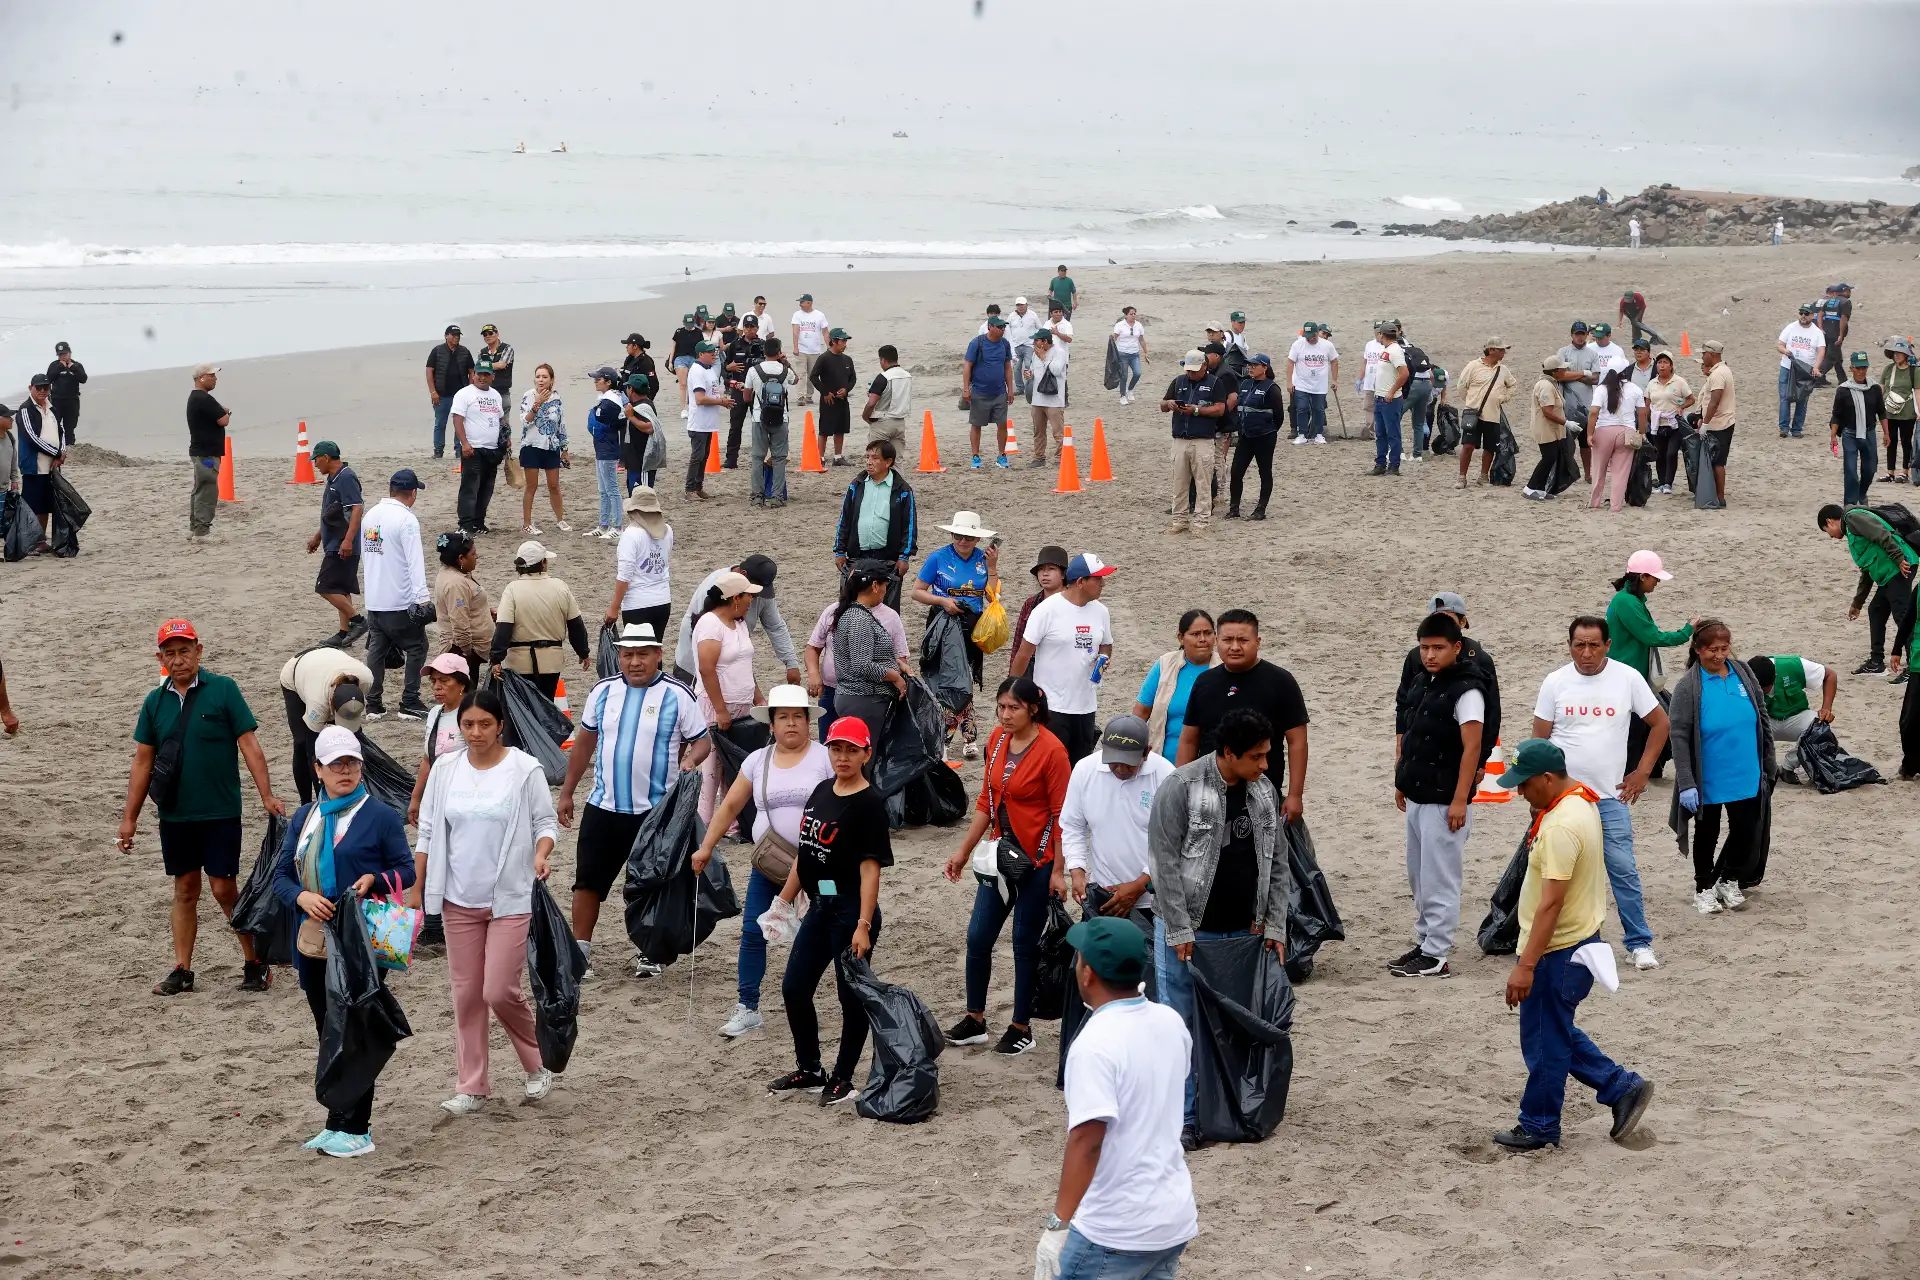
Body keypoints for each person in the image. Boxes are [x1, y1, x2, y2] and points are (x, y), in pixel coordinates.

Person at [1492, 739, 1655, 1152]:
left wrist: (1525, 965)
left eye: (1525, 785)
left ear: (1547, 779)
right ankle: (1620, 1087)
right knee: (1553, 1031)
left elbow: (1550, 904)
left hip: (1556, 950)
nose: (1519, 792)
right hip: (1578, 942)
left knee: (1544, 1041)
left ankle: (1540, 1125)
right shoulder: (1580, 801)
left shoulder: (1562, 826)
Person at [119, 618, 287, 995]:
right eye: (170, 653)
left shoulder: (223, 690)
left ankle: (254, 960)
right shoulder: (155, 701)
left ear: (199, 650)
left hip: (220, 810)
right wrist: (129, 818)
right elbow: (143, 761)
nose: (178, 659)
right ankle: (182, 968)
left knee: (224, 888)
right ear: (160, 657)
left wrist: (266, 794)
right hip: (175, 813)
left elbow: (249, 745)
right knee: (185, 888)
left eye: (184, 651)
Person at [418, 686, 563, 1114]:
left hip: (509, 897)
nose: (475, 732)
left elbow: (546, 821)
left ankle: (537, 1064)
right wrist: (418, 885)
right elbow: (427, 829)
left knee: (499, 989)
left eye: (484, 724)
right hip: (457, 897)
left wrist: (541, 854)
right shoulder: (445, 769)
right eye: (467, 724)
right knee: (466, 995)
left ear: (501, 725)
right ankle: (472, 1085)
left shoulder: (523, 769)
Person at [272, 726, 414, 1156]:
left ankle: (357, 1129)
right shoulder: (305, 817)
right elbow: (279, 877)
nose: (345, 771)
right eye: (335, 765)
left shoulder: (380, 815)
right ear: (318, 770)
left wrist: (375, 879)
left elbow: (406, 870)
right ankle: (337, 1122)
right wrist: (302, 896)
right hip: (316, 934)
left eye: (351, 763)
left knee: (355, 1027)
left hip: (361, 937)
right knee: (328, 1028)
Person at [1147, 708, 1286, 1146]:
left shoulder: (1263, 791)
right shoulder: (1180, 787)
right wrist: (1180, 930)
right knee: (1180, 1028)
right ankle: (1186, 1120)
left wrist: (1276, 927)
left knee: (1234, 1027)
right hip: (1190, 936)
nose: (1265, 766)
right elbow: (1163, 862)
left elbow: (1278, 863)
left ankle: (1230, 1111)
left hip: (1244, 935)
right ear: (1229, 753)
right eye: (1257, 757)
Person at [1036, 916, 1198, 1280]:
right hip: (1172, 1217)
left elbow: (1087, 1140)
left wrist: (1057, 1224)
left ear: (1088, 973)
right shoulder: (1170, 1022)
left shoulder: (1093, 1045)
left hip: (1116, 1229)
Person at [557, 621, 708, 979]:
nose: (634, 662)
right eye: (627, 655)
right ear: (618, 656)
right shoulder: (602, 691)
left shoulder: (677, 694)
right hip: (604, 805)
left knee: (652, 884)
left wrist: (690, 760)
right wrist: (567, 791)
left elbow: (702, 740)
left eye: (643, 654)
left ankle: (650, 952)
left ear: (658, 655)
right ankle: (581, 951)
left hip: (655, 811)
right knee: (587, 881)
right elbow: (584, 744)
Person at [764, 715, 893, 1105]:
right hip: (819, 906)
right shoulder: (822, 790)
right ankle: (810, 1068)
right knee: (794, 987)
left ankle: (843, 1077)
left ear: (866, 754)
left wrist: (863, 924)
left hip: (851, 911)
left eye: (851, 750)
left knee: (849, 995)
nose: (842, 756)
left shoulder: (870, 804)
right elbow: (806, 855)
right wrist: (783, 902)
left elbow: (870, 870)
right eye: (836, 748)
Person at [941, 676, 1072, 1058]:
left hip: (1037, 862)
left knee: (1023, 944)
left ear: (1033, 708)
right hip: (1001, 857)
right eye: (1001, 706)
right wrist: (963, 851)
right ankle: (976, 1019)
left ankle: (1021, 1026)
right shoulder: (997, 739)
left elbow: (1061, 815)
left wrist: (1058, 871)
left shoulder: (1053, 752)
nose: (1005, 714)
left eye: (1013, 707)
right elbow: (986, 800)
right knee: (978, 938)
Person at [1530, 616, 1668, 971]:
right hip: (1562, 800)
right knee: (1559, 873)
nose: (1586, 653)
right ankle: (1562, 942)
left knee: (1622, 869)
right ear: (1569, 645)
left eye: (1594, 645)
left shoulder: (1627, 678)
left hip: (1608, 797)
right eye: (1579, 645)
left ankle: (1639, 942)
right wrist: (1537, 799)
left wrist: (1642, 771)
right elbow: (1538, 744)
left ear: (1608, 645)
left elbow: (1660, 723)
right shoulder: (1555, 682)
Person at [696, 684, 829, 1037]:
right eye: (782, 717)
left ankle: (854, 989)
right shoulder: (758, 760)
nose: (790, 724)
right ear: (771, 724)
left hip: (820, 866)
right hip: (769, 864)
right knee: (753, 931)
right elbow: (730, 806)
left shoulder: (826, 758)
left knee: (836, 928)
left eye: (797, 717)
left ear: (808, 722)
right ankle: (747, 1006)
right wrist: (706, 846)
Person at [1391, 612, 1488, 979]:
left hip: (1445, 798)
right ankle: (1425, 942)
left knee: (1440, 877)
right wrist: (1402, 779)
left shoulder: (1468, 690)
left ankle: (1436, 954)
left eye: (1438, 647)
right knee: (1419, 875)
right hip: (1417, 793)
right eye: (1425, 647)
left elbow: (1472, 747)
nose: (1430, 654)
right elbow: (1412, 732)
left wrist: (1461, 798)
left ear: (1457, 647)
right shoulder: (1423, 682)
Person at [1666, 622, 1774, 916]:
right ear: (1698, 650)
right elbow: (1678, 736)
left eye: (1724, 649)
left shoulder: (1742, 671)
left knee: (1746, 830)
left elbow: (1761, 713)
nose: (1719, 655)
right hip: (1710, 776)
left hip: (1746, 770)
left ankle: (1728, 879)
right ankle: (1703, 888)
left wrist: (1768, 761)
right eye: (1712, 649)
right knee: (1707, 834)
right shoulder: (1688, 686)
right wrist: (1686, 782)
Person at [1176, 609, 1309, 822]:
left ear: (1258, 641)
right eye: (1228, 640)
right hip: (1209, 794)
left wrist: (1295, 795)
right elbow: (1189, 738)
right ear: (1217, 641)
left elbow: (1297, 742)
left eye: (1243, 640)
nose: (1235, 647)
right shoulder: (1205, 682)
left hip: (1263, 792)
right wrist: (1180, 787)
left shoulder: (1280, 681)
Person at [1061, 714, 1173, 924]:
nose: (1120, 770)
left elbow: (1173, 841)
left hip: (1154, 902)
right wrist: (1077, 870)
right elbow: (1073, 825)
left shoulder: (1167, 776)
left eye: (1129, 764)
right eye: (1114, 762)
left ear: (1146, 753)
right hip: (1103, 897)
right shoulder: (1085, 770)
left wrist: (1141, 884)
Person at [1013, 553, 1117, 764]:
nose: (1103, 584)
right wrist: (1011, 696)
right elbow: (1023, 654)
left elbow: (1106, 643)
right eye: (1098, 579)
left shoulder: (1101, 611)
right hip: (1052, 707)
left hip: (1086, 705)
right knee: (1050, 767)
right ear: (1080, 582)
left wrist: (1104, 657)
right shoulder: (1046, 610)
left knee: (1079, 767)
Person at [913, 514, 1000, 757]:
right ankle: (950, 738)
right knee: (948, 682)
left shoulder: (984, 559)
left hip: (972, 628)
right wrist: (942, 600)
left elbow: (993, 598)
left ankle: (966, 737)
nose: (962, 540)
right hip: (942, 627)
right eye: (958, 535)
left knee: (964, 681)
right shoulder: (938, 558)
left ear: (977, 538)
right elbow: (917, 592)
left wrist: (992, 569)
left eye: (969, 536)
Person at [1606, 550, 1695, 764]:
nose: (1657, 582)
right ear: (1643, 576)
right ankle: (1631, 773)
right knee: (1636, 729)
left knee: (1641, 726)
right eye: (1655, 578)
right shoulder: (1627, 602)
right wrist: (1687, 631)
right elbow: (1652, 636)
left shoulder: (1628, 600)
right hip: (1627, 676)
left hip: (1630, 674)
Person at [693, 569, 768, 821]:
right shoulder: (710, 624)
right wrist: (721, 709)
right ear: (735, 597)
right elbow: (706, 669)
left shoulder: (739, 624)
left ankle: (733, 825)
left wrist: (757, 697)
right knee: (711, 770)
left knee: (735, 767)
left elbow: (745, 665)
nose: (751, 601)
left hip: (742, 703)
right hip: (717, 705)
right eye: (748, 596)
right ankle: (704, 823)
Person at [805, 560, 909, 739]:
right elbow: (861, 664)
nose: (887, 589)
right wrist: (896, 677)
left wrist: (899, 665)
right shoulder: (855, 616)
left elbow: (896, 655)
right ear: (875, 585)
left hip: (848, 693)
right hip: (860, 695)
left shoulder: (885, 616)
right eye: (885, 584)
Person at [359, 469, 432, 721]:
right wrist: (422, 598)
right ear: (412, 493)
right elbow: (415, 562)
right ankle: (409, 700)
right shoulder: (406, 519)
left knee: (377, 652)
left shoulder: (370, 516)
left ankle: (373, 703)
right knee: (417, 646)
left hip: (376, 599)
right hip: (399, 599)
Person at [1817, 502, 1918, 679]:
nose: (1830, 537)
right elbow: (1867, 570)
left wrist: (1898, 558)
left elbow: (1881, 534)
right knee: (1876, 611)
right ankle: (1876, 662)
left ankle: (1914, 667)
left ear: (1830, 521)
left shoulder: (1853, 517)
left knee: (1903, 616)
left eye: (1827, 531)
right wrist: (1858, 603)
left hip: (1900, 566)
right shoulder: (1851, 532)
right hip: (1889, 573)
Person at [672, 555, 803, 688]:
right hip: (694, 665)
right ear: (743, 574)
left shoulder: (760, 589)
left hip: (732, 663)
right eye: (754, 590)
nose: (756, 596)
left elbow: (775, 626)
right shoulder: (716, 588)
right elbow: (707, 649)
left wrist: (791, 663)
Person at [490, 541, 590, 699]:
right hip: (551, 662)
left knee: (523, 711)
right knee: (546, 706)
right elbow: (575, 624)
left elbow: (503, 628)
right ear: (543, 563)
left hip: (519, 663)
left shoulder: (512, 589)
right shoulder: (560, 587)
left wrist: (496, 658)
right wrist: (583, 651)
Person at [279, 645, 373, 805]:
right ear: (331, 703)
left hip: (327, 659)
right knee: (302, 744)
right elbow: (312, 753)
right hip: (297, 671)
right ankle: (307, 803)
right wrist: (325, 801)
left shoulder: (366, 679)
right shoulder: (318, 701)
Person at [832, 439, 916, 609]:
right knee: (850, 604)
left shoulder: (903, 490)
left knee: (887, 609)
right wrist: (839, 550)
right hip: (857, 557)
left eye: (875, 458)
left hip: (888, 559)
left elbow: (910, 525)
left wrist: (904, 556)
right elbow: (845, 519)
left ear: (888, 462)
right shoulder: (856, 485)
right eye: (868, 457)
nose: (869, 462)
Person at [1131, 610, 1219, 762]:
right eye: (1195, 634)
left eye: (1208, 633)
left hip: (1211, 762)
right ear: (1181, 638)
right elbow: (1141, 713)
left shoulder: (1225, 667)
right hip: (1162, 762)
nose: (1203, 639)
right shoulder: (1165, 665)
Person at [1160, 351, 1228, 535]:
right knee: (1179, 483)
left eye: (1194, 370)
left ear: (1204, 366)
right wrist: (1170, 404)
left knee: (1203, 484)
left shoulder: (1215, 383)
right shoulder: (1179, 381)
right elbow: (1162, 404)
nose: (1190, 374)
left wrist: (1197, 410)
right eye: (1188, 370)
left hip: (1203, 440)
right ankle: (1179, 521)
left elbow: (1220, 409)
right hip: (1180, 439)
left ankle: (1200, 522)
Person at [1743, 654, 1838, 781]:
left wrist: (1826, 708)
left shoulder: (1794, 666)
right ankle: (1768, 769)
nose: (1761, 693)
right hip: (1765, 722)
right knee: (1739, 729)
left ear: (1775, 678)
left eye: (1765, 689)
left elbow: (1830, 675)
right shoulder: (1741, 677)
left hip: (1795, 718)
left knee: (1820, 728)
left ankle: (1788, 768)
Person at [606, 487, 673, 639]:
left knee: (639, 656)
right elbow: (664, 560)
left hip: (637, 603)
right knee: (655, 653)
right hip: (663, 600)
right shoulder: (667, 530)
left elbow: (624, 576)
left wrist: (614, 608)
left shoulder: (630, 535)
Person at [1226, 354, 1284, 519]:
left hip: (1264, 437)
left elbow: (1279, 416)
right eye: (1249, 365)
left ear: (1264, 367)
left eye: (1254, 365)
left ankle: (1260, 509)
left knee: (1264, 472)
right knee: (1236, 472)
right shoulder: (1245, 384)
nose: (1250, 368)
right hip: (1245, 437)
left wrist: (1268, 431)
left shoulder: (1272, 388)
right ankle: (1234, 508)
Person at [1453, 339, 1517, 488]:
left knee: (1490, 447)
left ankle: (1483, 477)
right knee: (1467, 446)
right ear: (1491, 350)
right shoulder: (1473, 366)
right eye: (1501, 349)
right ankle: (1462, 477)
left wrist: (1504, 398)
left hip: (1493, 414)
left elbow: (1512, 385)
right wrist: (1470, 402)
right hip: (1473, 413)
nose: (1504, 352)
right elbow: (1461, 386)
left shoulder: (1503, 370)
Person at [452, 361, 507, 533]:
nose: (482, 377)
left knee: (486, 489)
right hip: (473, 449)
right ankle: (465, 524)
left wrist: (506, 437)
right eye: (479, 373)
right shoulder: (464, 394)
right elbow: (457, 419)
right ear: (473, 374)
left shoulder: (496, 395)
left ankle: (478, 522)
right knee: (470, 488)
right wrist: (464, 443)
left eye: (486, 374)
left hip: (492, 449)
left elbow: (501, 419)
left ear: (493, 376)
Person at [516, 362, 569, 535]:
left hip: (551, 445)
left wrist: (564, 448)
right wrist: (537, 403)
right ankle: (527, 523)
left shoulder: (556, 397)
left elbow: (561, 423)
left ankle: (560, 519)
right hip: (531, 445)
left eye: (544, 377)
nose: (541, 380)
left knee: (554, 485)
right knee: (532, 486)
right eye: (538, 376)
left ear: (551, 380)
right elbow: (525, 420)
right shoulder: (528, 395)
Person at [1586, 366, 1648, 513]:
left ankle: (1595, 502)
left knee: (1598, 469)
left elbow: (1594, 412)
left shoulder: (1601, 389)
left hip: (1603, 431)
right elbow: (1642, 414)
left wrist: (1589, 433)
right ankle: (1615, 505)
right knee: (1620, 472)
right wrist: (1642, 432)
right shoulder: (1635, 389)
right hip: (1626, 432)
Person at [745, 337, 798, 507]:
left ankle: (757, 495)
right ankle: (776, 496)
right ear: (779, 351)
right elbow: (796, 380)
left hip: (759, 418)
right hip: (780, 418)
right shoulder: (785, 371)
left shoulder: (754, 370)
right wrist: (786, 362)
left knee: (757, 457)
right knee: (779, 458)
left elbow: (746, 396)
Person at [432, 530, 491, 677]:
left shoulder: (453, 573)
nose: (476, 556)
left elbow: (466, 606)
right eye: (473, 553)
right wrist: (467, 652)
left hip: (464, 650)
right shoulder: (455, 584)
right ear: (460, 558)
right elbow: (459, 623)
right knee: (464, 696)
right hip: (460, 652)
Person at [1830, 352, 1886, 507]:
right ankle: (1850, 503)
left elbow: (1881, 412)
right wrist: (1833, 436)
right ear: (1851, 368)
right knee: (1851, 471)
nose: (1862, 371)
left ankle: (1862, 492)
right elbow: (1836, 414)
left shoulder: (1874, 388)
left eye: (1864, 368)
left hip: (1869, 432)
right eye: (1859, 368)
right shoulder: (1843, 390)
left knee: (1870, 469)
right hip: (1850, 434)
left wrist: (1886, 433)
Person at [962, 314, 1017, 469]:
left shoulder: (1005, 344)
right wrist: (966, 389)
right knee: (976, 425)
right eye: (1000, 327)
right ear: (990, 327)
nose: (1003, 329)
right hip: (979, 391)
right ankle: (975, 457)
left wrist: (1010, 389)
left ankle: (1001, 455)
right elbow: (967, 366)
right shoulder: (977, 343)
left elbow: (1007, 367)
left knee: (1002, 424)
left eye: (1004, 327)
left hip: (999, 392)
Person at [177, 365, 225, 540]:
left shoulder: (197, 398)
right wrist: (227, 412)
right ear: (201, 378)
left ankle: (195, 528)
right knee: (207, 490)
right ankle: (201, 532)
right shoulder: (203, 398)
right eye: (211, 375)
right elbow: (223, 419)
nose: (215, 379)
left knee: (199, 489)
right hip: (206, 453)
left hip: (200, 451)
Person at [1553, 321, 1602, 479]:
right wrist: (1583, 373)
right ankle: (1563, 472)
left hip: (1587, 404)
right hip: (1567, 405)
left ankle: (1588, 474)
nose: (1580, 337)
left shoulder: (1592, 354)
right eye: (1577, 334)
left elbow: (1595, 378)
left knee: (1585, 443)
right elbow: (1560, 375)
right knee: (1565, 442)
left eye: (1583, 334)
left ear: (1587, 335)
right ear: (1572, 335)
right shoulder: (1563, 352)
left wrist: (1573, 375)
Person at [1012, 545, 1070, 679]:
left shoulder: (1072, 602)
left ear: (1063, 574)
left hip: (1062, 665)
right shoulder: (1030, 603)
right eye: (1041, 569)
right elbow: (1018, 644)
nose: (1045, 573)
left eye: (1051, 569)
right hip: (1031, 665)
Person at [1521, 355, 1572, 500]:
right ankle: (1530, 487)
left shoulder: (1551, 383)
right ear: (1555, 371)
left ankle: (1540, 489)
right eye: (1563, 369)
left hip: (1550, 428)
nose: (1565, 371)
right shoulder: (1546, 386)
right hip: (1545, 428)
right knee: (1548, 458)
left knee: (1551, 457)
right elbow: (1547, 411)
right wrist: (1565, 423)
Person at [1643, 350, 1693, 496]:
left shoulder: (1679, 381)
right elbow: (1647, 403)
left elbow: (1691, 399)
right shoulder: (1652, 383)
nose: (1662, 366)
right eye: (1659, 362)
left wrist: (1681, 407)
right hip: (1657, 424)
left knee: (1671, 453)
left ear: (1671, 365)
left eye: (1665, 362)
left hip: (1674, 424)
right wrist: (1648, 417)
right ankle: (1661, 482)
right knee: (1660, 454)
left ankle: (1668, 483)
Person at [584, 366, 625, 537]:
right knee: (603, 489)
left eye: (598, 379)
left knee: (611, 489)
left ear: (608, 382)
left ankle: (617, 527)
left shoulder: (611, 401)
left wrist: (594, 414)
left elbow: (602, 420)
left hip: (608, 448)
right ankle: (603, 525)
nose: (595, 381)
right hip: (601, 448)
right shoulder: (605, 399)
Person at [685, 341, 729, 500]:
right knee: (697, 456)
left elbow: (712, 393)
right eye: (710, 352)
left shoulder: (710, 370)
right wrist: (720, 402)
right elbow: (700, 399)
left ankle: (698, 487)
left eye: (714, 351)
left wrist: (722, 400)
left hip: (709, 422)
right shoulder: (697, 371)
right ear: (701, 354)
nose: (714, 354)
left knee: (704, 455)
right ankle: (690, 489)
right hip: (699, 422)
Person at [809, 328, 858, 468]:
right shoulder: (824, 358)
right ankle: (820, 457)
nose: (845, 344)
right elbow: (813, 376)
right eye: (843, 341)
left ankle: (837, 457)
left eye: (845, 341)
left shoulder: (847, 359)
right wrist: (825, 392)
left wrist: (847, 390)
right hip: (828, 400)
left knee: (840, 429)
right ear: (834, 342)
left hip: (842, 399)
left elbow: (853, 378)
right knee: (824, 430)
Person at [425, 324, 475, 458]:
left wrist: (470, 390)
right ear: (446, 336)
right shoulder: (437, 351)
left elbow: (472, 371)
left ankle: (459, 450)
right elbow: (429, 371)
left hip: (461, 395)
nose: (456, 337)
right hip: (441, 395)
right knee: (440, 423)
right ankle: (438, 451)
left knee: (460, 423)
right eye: (453, 335)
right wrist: (433, 392)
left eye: (458, 335)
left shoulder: (464, 351)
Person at [722, 314, 764, 469]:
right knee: (735, 426)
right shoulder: (734, 345)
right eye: (747, 327)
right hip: (738, 390)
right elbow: (723, 371)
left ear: (757, 328)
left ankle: (760, 457)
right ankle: (731, 459)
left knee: (760, 425)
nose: (749, 330)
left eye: (752, 327)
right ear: (743, 328)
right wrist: (728, 368)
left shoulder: (763, 345)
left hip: (757, 392)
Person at [1023, 330, 1071, 468]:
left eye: (1036, 340)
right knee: (1038, 431)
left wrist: (1044, 358)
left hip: (1054, 400)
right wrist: (1028, 374)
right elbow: (1033, 370)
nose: (1034, 343)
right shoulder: (1035, 354)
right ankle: (1039, 457)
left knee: (1058, 432)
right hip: (1037, 399)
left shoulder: (1060, 352)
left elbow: (1056, 370)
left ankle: (1060, 458)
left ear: (1044, 341)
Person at [1697, 340, 1737, 502]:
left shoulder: (1718, 374)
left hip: (1719, 424)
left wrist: (1705, 423)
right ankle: (1715, 494)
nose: (1702, 356)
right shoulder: (1722, 370)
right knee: (1715, 462)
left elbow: (1714, 401)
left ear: (1712, 354)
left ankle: (1720, 498)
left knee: (1718, 462)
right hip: (1722, 421)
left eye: (1704, 353)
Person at [1778, 304, 1826, 439]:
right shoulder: (1791, 327)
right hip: (1787, 368)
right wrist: (1785, 351)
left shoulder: (1817, 332)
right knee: (1784, 398)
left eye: (1806, 313)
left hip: (1806, 371)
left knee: (1802, 399)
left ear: (1812, 315)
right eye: (1801, 313)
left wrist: (1816, 367)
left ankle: (1797, 429)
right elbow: (1780, 344)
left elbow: (1821, 350)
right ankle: (1783, 428)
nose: (1803, 316)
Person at [1285, 322, 1338, 446]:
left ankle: (1318, 434)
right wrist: (1289, 381)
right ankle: (1302, 434)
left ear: (1316, 333)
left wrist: (1334, 379)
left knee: (1319, 409)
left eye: (1312, 336)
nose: (1309, 338)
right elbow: (1290, 362)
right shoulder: (1298, 344)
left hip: (1320, 384)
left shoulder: (1327, 345)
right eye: (1307, 336)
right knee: (1302, 408)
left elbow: (1334, 361)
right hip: (1302, 383)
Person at [1368, 325, 1409, 477]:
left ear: (1381, 334)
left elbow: (1404, 373)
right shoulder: (1388, 350)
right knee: (1381, 433)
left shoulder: (1395, 350)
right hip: (1381, 397)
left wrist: (1391, 391)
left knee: (1392, 433)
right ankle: (1380, 463)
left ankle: (1394, 465)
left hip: (1389, 399)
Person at [1880, 337, 1918, 485]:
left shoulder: (1914, 371)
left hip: (1908, 413)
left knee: (1906, 442)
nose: (1897, 355)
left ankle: (1904, 472)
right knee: (1890, 441)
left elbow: (1918, 392)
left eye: (1900, 353)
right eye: (1895, 352)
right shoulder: (1888, 369)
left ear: (1907, 355)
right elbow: (1882, 389)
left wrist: (1919, 412)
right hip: (1889, 412)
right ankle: (1890, 472)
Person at [861, 344, 913, 451]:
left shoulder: (883, 377)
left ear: (883, 360)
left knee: (876, 455)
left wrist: (865, 416)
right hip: (900, 422)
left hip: (882, 422)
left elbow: (871, 403)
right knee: (897, 458)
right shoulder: (907, 376)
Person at [620, 372, 661, 493]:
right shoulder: (636, 405)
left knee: (643, 498)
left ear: (631, 389)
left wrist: (631, 417)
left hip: (643, 463)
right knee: (634, 496)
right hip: (634, 461)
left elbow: (650, 428)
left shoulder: (644, 406)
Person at [790, 294, 830, 406]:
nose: (800, 304)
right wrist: (795, 347)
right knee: (801, 373)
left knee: (812, 374)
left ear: (809, 303)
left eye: (802, 302)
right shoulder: (797, 315)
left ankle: (809, 396)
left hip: (815, 350)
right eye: (800, 302)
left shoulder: (819, 315)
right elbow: (795, 331)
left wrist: (829, 346)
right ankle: (801, 396)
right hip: (801, 350)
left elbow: (825, 332)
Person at [45, 341, 86, 446]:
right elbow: (48, 378)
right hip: (57, 401)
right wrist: (60, 367)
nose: (63, 356)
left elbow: (83, 379)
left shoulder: (77, 365)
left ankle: (69, 448)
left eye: (65, 354)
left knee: (70, 428)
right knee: (55, 426)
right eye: (60, 354)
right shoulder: (54, 365)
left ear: (69, 352)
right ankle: (56, 448)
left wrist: (73, 368)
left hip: (72, 401)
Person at [1818, 283, 1853, 384]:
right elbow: (1843, 319)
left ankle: (1842, 379)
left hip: (1826, 332)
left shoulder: (1830, 301)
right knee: (1831, 358)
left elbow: (1821, 314)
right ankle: (1816, 377)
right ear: (1845, 291)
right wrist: (1841, 336)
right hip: (1835, 333)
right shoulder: (1846, 302)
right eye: (1849, 290)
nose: (1850, 292)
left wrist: (1821, 328)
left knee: (1837, 357)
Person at [1112, 307, 1148, 404]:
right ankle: (1122, 395)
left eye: (1134, 314)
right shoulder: (1120, 325)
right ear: (1126, 315)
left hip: (1134, 354)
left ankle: (1130, 389)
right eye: (1131, 314)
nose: (1133, 316)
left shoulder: (1139, 325)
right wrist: (1111, 352)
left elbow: (1141, 339)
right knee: (1124, 375)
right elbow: (1114, 338)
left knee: (1137, 373)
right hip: (1122, 354)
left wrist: (1145, 352)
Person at [669, 311, 702, 417]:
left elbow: (700, 347)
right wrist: (670, 361)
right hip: (680, 358)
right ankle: (683, 409)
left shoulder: (698, 332)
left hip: (694, 359)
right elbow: (673, 347)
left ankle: (692, 405)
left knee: (693, 383)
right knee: (683, 384)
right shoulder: (679, 332)